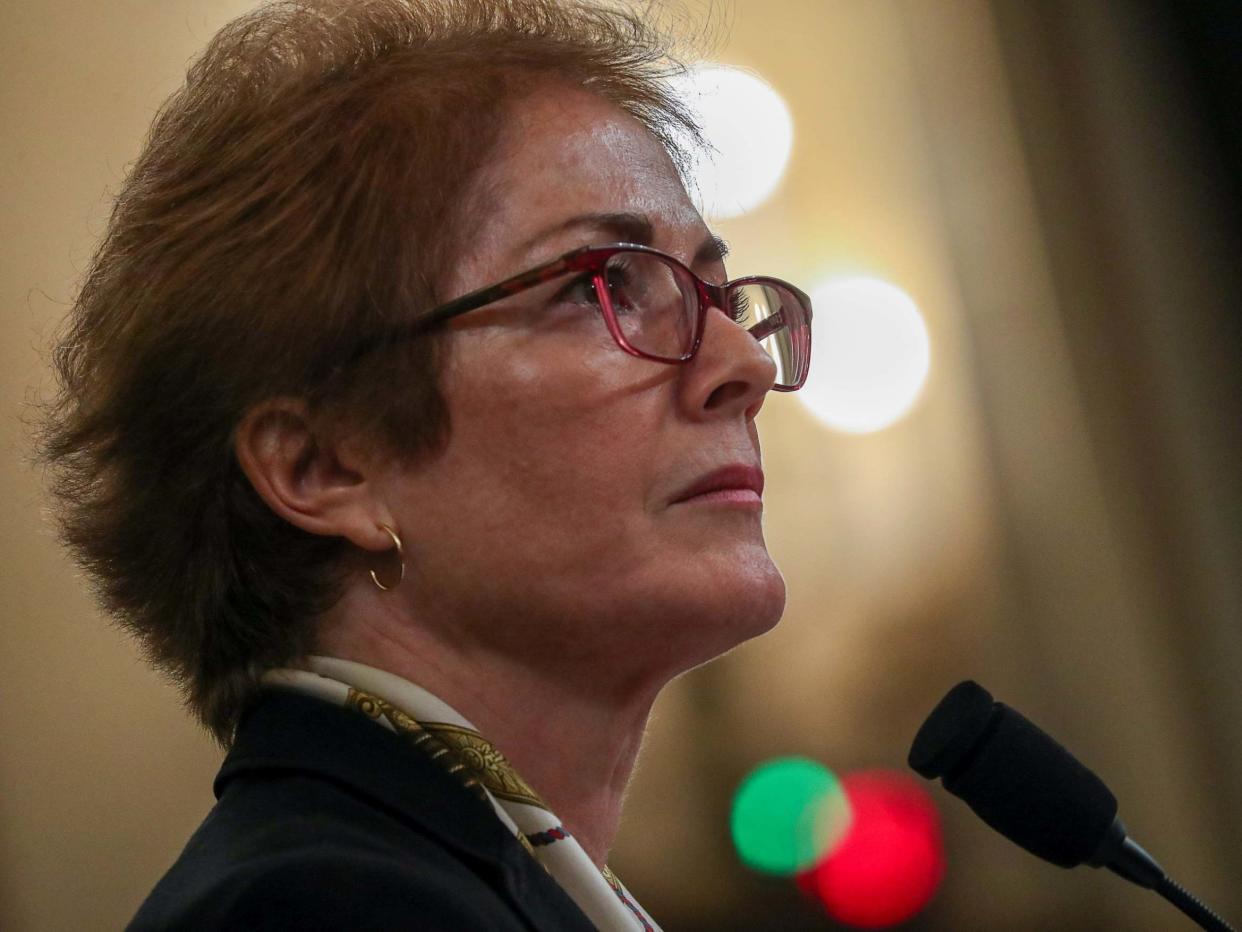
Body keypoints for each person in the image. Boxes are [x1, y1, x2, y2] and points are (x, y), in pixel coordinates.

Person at [37, 0, 811, 928]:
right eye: (601, 285)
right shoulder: (320, 911)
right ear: (326, 467)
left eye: (716, 293)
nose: (745, 364)